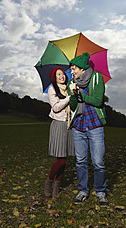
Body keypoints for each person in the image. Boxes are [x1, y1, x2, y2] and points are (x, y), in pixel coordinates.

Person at [67, 52, 108, 206]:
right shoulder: (73, 82)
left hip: (95, 125)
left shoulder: (97, 78)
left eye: (74, 69)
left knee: (98, 162)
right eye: (71, 69)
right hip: (79, 125)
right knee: (81, 161)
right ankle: (83, 190)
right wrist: (72, 94)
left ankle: (100, 191)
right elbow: (73, 106)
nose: (72, 72)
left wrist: (80, 94)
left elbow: (98, 101)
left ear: (82, 68)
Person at [44, 67, 75, 199]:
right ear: (54, 77)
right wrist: (69, 97)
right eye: (58, 74)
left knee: (65, 158)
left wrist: (74, 93)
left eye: (62, 74)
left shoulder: (69, 88)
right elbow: (56, 107)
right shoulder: (52, 89)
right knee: (61, 159)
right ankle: (48, 183)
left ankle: (56, 187)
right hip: (58, 124)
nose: (62, 76)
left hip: (69, 125)